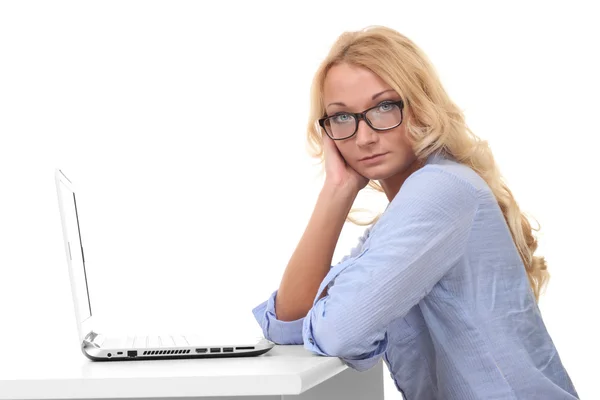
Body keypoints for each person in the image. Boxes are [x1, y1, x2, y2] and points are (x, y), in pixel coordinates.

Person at [251, 25, 578, 399]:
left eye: (385, 106)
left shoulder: (439, 189)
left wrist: (327, 311)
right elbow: (289, 323)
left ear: (421, 105)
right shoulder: (406, 213)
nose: (364, 137)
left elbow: (339, 330)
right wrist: (336, 192)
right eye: (342, 117)